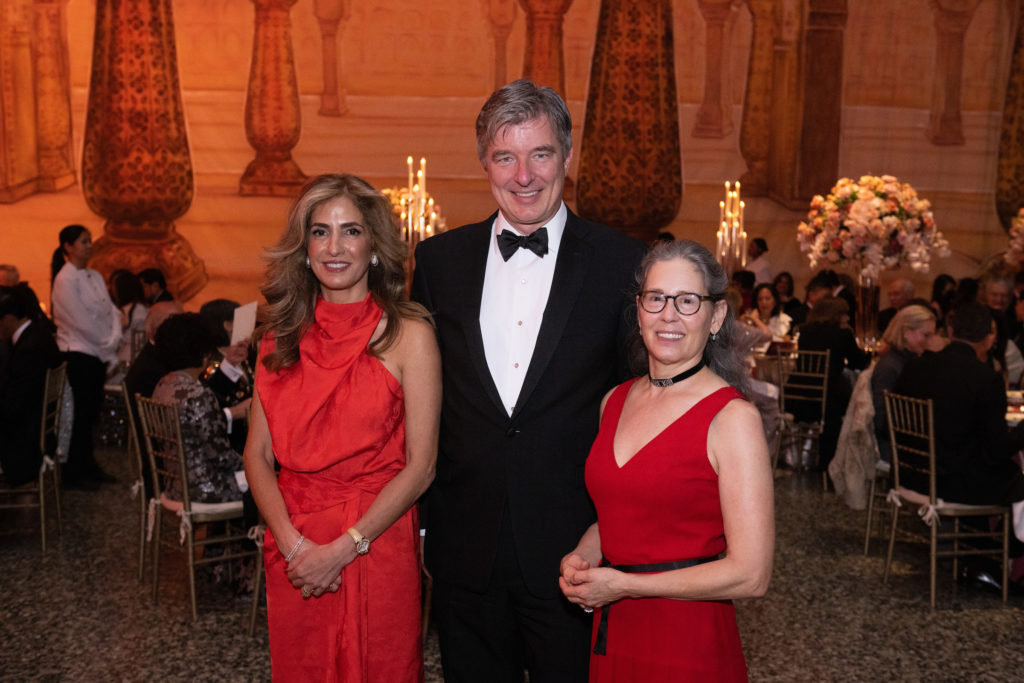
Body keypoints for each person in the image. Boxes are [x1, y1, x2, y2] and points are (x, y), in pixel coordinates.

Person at [411, 79, 646, 682]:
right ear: (483, 161)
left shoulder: (623, 263)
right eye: (505, 156)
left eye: (540, 154)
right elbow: (425, 401)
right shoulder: (439, 262)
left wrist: (613, 531)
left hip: (576, 548)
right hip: (466, 545)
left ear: (567, 157)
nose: (524, 175)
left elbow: (637, 405)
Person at [244, 173, 440, 681]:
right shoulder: (277, 339)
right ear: (303, 247)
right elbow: (257, 457)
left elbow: (421, 468)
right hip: (297, 548)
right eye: (320, 231)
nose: (335, 247)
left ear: (373, 244)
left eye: (351, 231)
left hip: (375, 541)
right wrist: (293, 545)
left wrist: (346, 545)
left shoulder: (409, 335)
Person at [559, 240, 774, 681]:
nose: (668, 315)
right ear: (638, 311)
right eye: (656, 298)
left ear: (715, 317)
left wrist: (625, 585)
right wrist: (584, 556)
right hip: (614, 631)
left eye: (687, 301)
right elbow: (623, 512)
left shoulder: (732, 419)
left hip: (687, 642)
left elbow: (752, 574)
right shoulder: (614, 401)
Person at [893, 302, 1024, 505]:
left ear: (951, 330)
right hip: (953, 484)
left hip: (909, 473)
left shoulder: (914, 367)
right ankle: (996, 537)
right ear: (989, 338)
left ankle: (975, 535)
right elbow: (996, 450)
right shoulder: (986, 379)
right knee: (1016, 476)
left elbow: (888, 427)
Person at [50, 225, 121, 489]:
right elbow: (80, 323)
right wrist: (108, 348)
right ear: (68, 247)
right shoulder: (65, 280)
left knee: (90, 414)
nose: (90, 245)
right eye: (84, 241)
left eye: (90, 241)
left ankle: (88, 465)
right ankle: (73, 472)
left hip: (98, 355)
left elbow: (112, 312)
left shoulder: (94, 275)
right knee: (78, 416)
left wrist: (112, 341)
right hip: (78, 355)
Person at [151, 313, 244, 504]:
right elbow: (221, 457)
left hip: (174, 485)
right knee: (270, 486)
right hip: (206, 489)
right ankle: (254, 533)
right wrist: (257, 464)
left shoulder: (161, 387)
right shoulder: (198, 395)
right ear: (204, 353)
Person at [795, 296, 870, 471]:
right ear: (836, 315)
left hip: (799, 397)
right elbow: (857, 362)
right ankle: (832, 464)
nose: (848, 318)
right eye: (845, 314)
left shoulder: (804, 332)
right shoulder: (843, 334)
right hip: (828, 402)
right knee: (852, 402)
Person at [0, 286, 61, 487]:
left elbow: (16, 406)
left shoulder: (28, 349)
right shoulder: (38, 335)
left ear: (8, 319)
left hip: (25, 440)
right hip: (38, 428)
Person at [870, 305, 938, 463]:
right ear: (906, 332)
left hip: (907, 441)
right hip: (895, 447)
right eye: (926, 335)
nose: (930, 342)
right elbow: (881, 421)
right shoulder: (890, 366)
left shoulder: (912, 361)